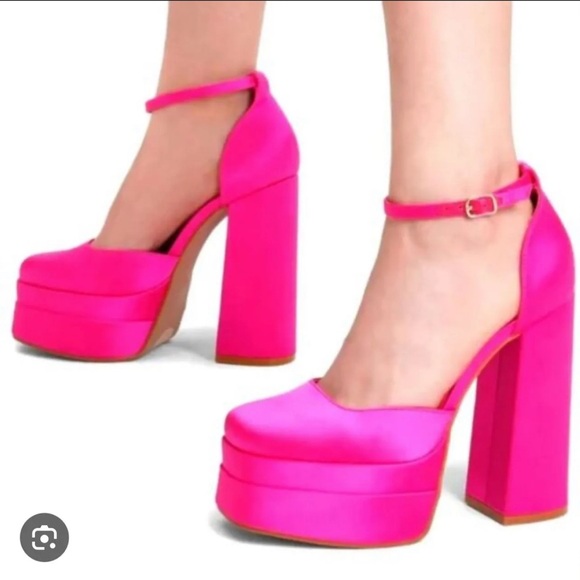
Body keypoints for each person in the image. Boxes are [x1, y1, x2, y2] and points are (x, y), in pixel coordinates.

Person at [13, 1, 574, 547]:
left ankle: (462, 224)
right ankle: (206, 115)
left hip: (468, 226)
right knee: (207, 87)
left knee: (455, 187)